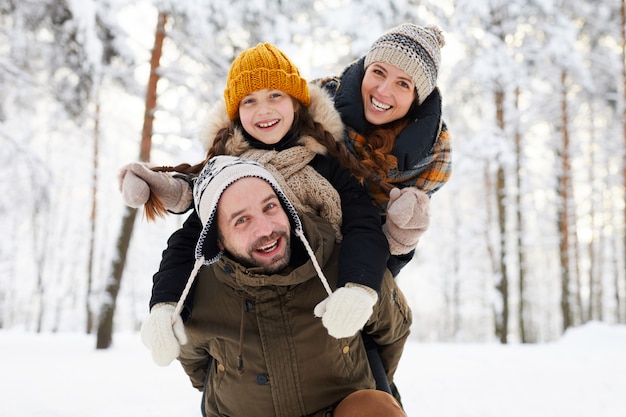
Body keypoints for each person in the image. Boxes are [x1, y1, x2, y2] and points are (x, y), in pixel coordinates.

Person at [127, 42, 392, 364]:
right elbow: (189, 241)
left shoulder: (327, 161)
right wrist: (165, 304)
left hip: (326, 304)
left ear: (296, 103)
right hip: (253, 316)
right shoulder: (226, 174)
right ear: (236, 112)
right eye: (249, 101)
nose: (263, 110)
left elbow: (362, 223)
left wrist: (358, 287)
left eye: (275, 95)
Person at [173, 155, 411, 417]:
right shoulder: (199, 291)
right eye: (241, 220)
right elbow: (195, 363)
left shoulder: (344, 265)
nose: (265, 229)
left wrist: (374, 388)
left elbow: (392, 332)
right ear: (217, 240)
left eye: (269, 207)